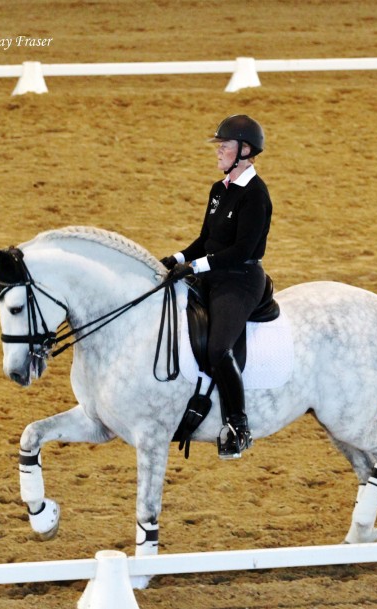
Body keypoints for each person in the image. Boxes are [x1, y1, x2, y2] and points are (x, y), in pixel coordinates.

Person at [160, 114, 272, 460]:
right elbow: (205, 240)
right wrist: (175, 257)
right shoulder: (217, 190)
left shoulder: (256, 195)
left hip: (240, 281)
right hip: (212, 274)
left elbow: (240, 249)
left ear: (245, 150)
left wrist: (195, 266)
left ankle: (238, 424)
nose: (219, 152)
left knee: (219, 347)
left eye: (224, 147)